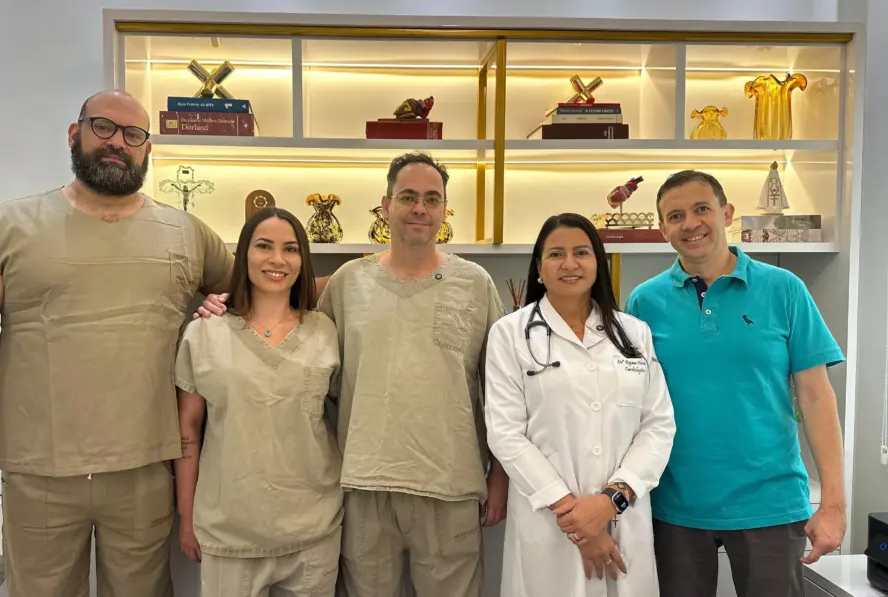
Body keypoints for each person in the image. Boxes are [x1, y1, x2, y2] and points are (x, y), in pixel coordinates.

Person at [0, 89, 230, 597]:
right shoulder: (5, 227)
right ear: (76, 133)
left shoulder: (187, 233)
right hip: (39, 476)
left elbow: (257, 295)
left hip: (145, 472)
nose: (118, 142)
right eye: (104, 127)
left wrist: (215, 311)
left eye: (133, 134)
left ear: (147, 149)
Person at [626, 170, 846, 597]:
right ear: (663, 228)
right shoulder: (644, 302)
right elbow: (633, 407)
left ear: (726, 214)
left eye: (702, 209)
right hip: (674, 506)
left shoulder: (785, 289)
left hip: (770, 504)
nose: (690, 223)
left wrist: (834, 504)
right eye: (675, 216)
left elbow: (818, 399)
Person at [315, 151, 510, 597]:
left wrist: (499, 478)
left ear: (444, 210)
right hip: (364, 485)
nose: (420, 208)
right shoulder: (348, 282)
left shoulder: (475, 283)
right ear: (386, 206)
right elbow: (315, 378)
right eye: (407, 197)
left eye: (431, 199)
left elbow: (501, 392)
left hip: (451, 486)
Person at [484, 213, 675, 597]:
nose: (569, 263)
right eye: (556, 254)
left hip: (622, 516)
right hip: (550, 521)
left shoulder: (633, 333)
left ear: (598, 263)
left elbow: (658, 425)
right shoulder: (510, 334)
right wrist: (578, 520)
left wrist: (611, 501)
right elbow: (505, 434)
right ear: (539, 268)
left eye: (581, 253)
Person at [173, 207, 343, 596]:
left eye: (290, 249)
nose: (277, 259)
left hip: (313, 530)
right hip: (229, 532)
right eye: (263, 246)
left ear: (302, 260)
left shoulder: (325, 331)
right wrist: (187, 514)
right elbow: (187, 430)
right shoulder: (204, 333)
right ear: (243, 255)